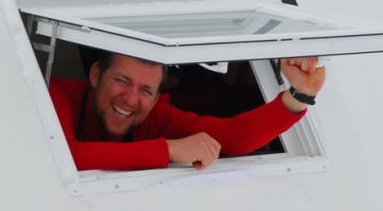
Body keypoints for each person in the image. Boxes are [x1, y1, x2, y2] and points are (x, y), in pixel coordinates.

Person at [49, 52, 326, 171]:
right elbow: (67, 158)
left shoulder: (151, 115)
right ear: (96, 74)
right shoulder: (57, 94)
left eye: (146, 90)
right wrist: (168, 150)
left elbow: (230, 138)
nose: (131, 99)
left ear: (158, 95)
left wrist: (301, 95)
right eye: (122, 81)